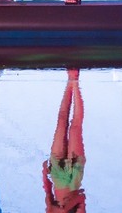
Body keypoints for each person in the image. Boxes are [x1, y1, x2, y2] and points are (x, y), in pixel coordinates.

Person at [44, 69, 88, 213]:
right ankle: (75, 81)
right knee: (75, 128)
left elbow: (48, 198)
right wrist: (66, 209)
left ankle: (70, 80)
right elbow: (81, 197)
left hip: (56, 175)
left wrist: (44, 177)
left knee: (62, 121)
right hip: (73, 180)